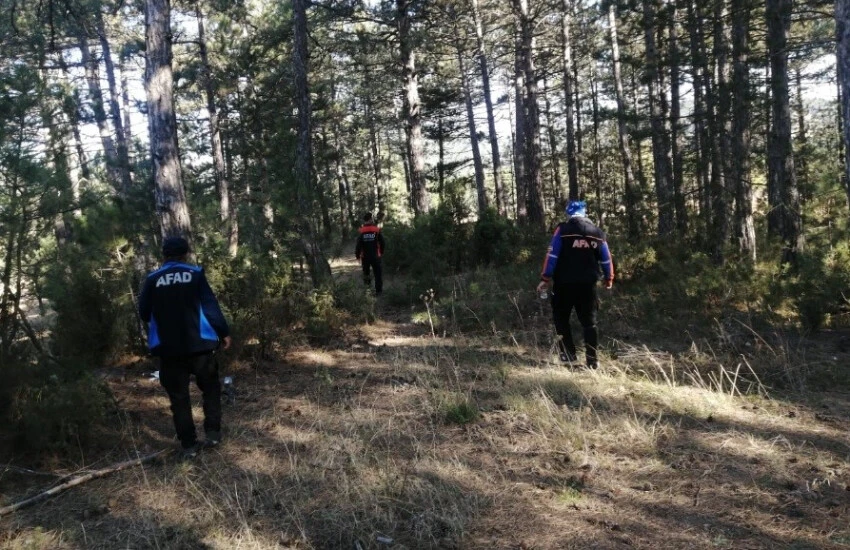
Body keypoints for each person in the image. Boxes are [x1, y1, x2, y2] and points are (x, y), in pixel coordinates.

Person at [138, 237, 232, 458]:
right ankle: (213, 434)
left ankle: (189, 445)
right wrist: (223, 332)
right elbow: (210, 307)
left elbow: (144, 312)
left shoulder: (152, 279)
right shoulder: (196, 274)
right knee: (210, 389)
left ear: (164, 255)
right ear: (186, 254)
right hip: (200, 345)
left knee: (179, 398)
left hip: (169, 349)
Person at [536, 201, 614, 368]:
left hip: (564, 284)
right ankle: (592, 360)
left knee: (561, 318)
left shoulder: (562, 230)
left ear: (569, 213)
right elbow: (606, 258)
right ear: (584, 212)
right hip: (588, 285)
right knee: (589, 322)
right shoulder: (598, 233)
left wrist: (545, 278)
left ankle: (568, 355)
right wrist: (609, 278)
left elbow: (552, 255)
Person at [355, 212, 385, 295]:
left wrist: (357, 256)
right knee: (378, 274)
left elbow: (358, 245)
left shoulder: (361, 231)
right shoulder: (376, 230)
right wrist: (381, 252)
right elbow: (382, 242)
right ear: (370, 219)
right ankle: (379, 291)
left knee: (366, 274)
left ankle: (368, 291)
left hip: (365, 257)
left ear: (364, 221)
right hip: (376, 256)